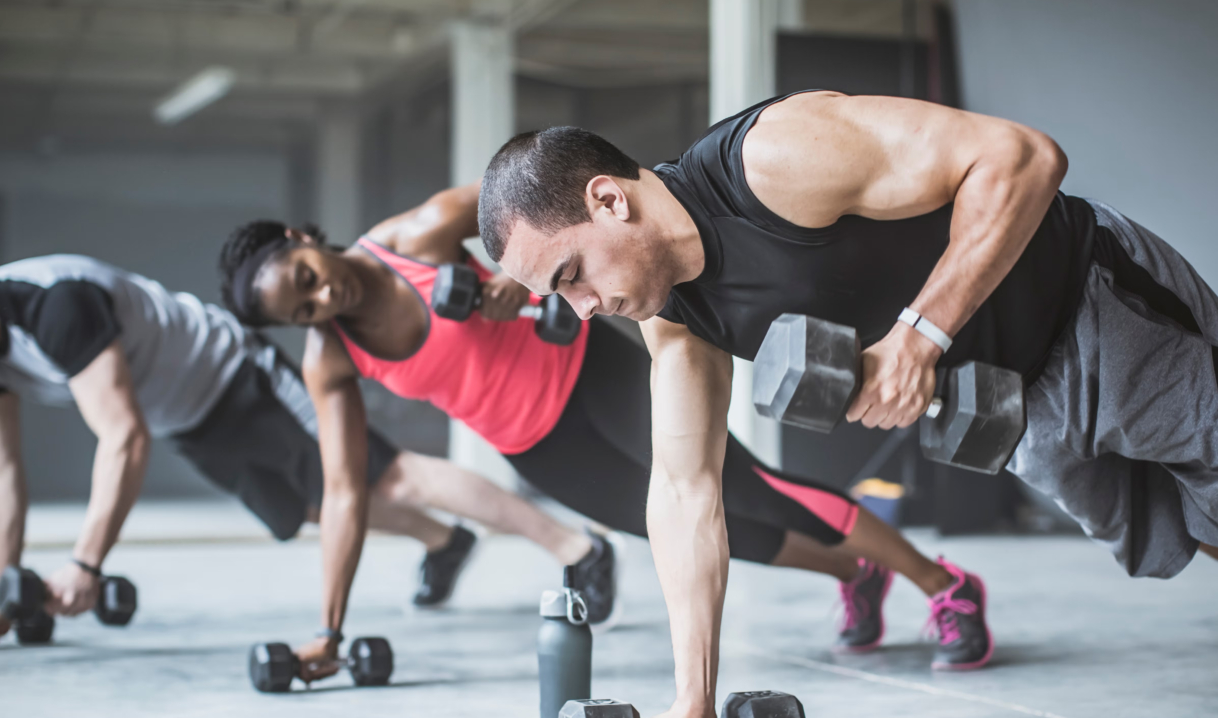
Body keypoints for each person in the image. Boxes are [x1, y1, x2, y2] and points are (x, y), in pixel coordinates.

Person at [478, 88, 1218, 717]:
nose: (580, 309)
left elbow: (1023, 157)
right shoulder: (674, 319)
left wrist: (919, 336)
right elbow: (683, 492)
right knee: (1168, 534)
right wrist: (692, 700)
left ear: (609, 199)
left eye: (571, 274)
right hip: (1009, 403)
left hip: (1090, 300)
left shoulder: (772, 160)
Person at [218, 181, 992, 685]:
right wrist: (329, 630)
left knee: (745, 489)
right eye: (304, 310)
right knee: (699, 535)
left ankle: (944, 585)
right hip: (540, 446)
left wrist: (509, 278)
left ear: (300, 237)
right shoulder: (331, 360)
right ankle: (855, 571)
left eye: (306, 277)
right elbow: (345, 491)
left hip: (592, 372)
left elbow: (531, 209)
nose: (324, 298)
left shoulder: (415, 237)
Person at [0, 257, 599, 645]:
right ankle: (445, 542)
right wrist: (6, 591)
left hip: (235, 375)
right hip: (191, 419)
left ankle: (577, 547)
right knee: (306, 508)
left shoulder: (54, 306)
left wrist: (84, 563)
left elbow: (123, 437)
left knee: (385, 476)